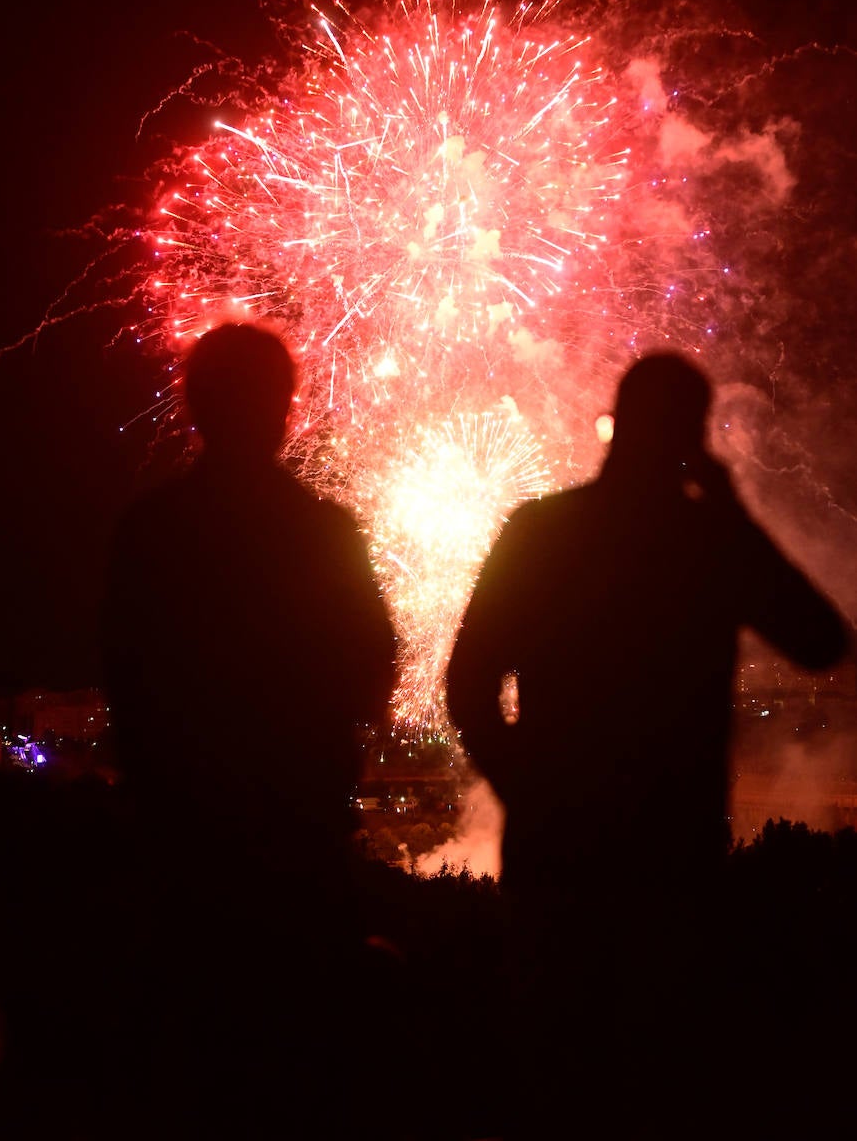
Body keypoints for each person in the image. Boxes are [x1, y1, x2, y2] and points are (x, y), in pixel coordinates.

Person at [445, 350, 852, 1137]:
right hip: (675, 869)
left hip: (557, 859)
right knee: (663, 1089)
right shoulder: (707, 543)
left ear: (615, 427)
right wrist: (731, 511)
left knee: (556, 1084)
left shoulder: (540, 532)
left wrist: (524, 783)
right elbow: (821, 640)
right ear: (692, 440)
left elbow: (467, 685)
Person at [100, 322, 397, 1136]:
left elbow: (128, 685)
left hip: (184, 859)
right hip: (299, 855)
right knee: (307, 1078)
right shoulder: (322, 533)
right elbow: (377, 672)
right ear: (283, 410)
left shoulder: (149, 535)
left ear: (194, 408)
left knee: (197, 1078)